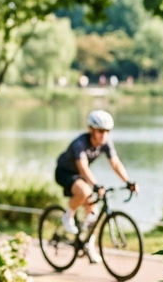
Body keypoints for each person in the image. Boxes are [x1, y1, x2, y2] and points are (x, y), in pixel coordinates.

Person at [55, 110, 138, 262]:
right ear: (91, 130)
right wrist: (96, 185)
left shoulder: (105, 142)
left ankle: (89, 244)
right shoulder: (79, 143)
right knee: (85, 191)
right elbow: (83, 168)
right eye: (100, 131)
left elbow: (115, 163)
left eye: (107, 131)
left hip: (80, 175)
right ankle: (68, 216)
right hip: (64, 172)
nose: (104, 135)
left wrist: (128, 182)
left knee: (93, 212)